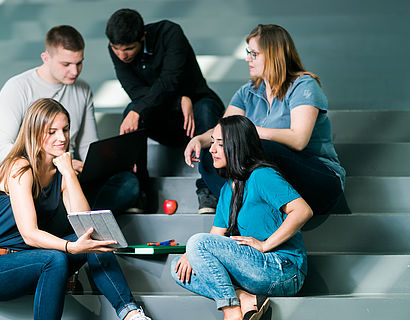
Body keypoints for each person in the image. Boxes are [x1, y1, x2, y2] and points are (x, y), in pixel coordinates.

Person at [0, 98, 151, 320]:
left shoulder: (59, 169)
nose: (61, 138)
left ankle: (130, 313)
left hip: (36, 259)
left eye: (65, 129)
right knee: (55, 259)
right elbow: (29, 234)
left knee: (97, 236)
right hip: (7, 264)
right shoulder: (20, 167)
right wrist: (71, 247)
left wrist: (69, 173)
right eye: (51, 132)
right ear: (33, 132)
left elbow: (87, 223)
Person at [184, 24, 346, 215]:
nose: (247, 59)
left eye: (254, 54)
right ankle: (244, 204)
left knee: (261, 147)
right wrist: (200, 140)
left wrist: (248, 130)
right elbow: (224, 130)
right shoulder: (247, 92)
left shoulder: (303, 85)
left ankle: (247, 204)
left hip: (317, 180)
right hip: (274, 182)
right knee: (211, 153)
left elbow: (298, 140)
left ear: (273, 54)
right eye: (248, 53)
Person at [172, 115, 312, 320]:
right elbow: (213, 238)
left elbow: (303, 210)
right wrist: (190, 255)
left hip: (283, 270)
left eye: (220, 144)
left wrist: (265, 245)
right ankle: (244, 297)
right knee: (179, 268)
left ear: (238, 146)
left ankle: (230, 312)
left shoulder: (262, 175)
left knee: (196, 244)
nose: (211, 150)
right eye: (212, 143)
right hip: (255, 270)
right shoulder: (228, 189)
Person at [0, 25, 139, 217]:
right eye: (66, 64)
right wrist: (54, 164)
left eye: (79, 63)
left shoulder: (82, 89)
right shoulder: (17, 88)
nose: (74, 71)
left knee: (128, 183)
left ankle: (76, 218)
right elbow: (3, 148)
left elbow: (88, 147)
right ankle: (76, 219)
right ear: (46, 58)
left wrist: (104, 165)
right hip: (38, 179)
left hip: (70, 175)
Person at [105, 8, 225, 213]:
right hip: (164, 120)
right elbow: (135, 91)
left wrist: (180, 99)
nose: (121, 55)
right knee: (131, 111)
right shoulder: (116, 50)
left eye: (128, 49)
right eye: (116, 49)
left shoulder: (170, 33)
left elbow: (170, 80)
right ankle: (138, 193)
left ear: (142, 36)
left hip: (196, 114)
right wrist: (178, 101)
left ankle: (209, 191)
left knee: (205, 108)